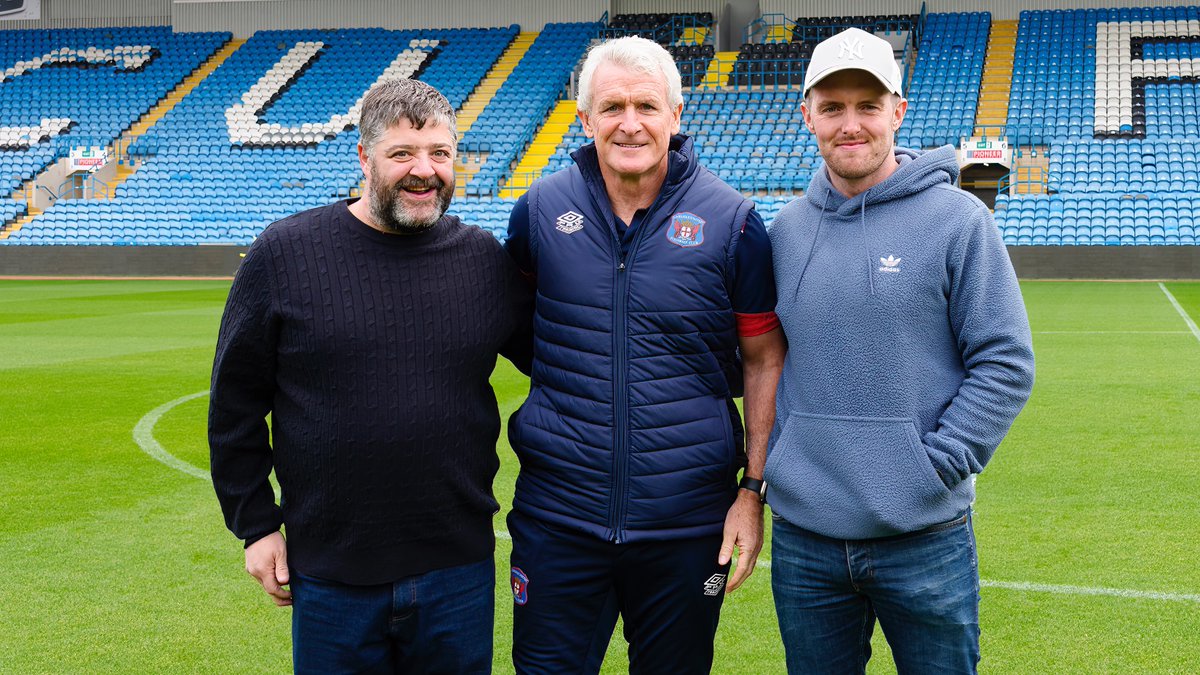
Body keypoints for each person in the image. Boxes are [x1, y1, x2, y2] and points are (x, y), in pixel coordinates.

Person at [208, 78, 532, 674]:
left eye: (440, 153)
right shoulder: (285, 254)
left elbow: (564, 361)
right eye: (402, 153)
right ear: (364, 156)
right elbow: (234, 406)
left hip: (456, 569)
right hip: (332, 571)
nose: (425, 170)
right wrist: (256, 526)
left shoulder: (484, 260)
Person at [503, 36, 787, 674]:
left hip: (687, 525)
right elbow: (523, 330)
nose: (629, 124)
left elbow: (764, 359)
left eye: (646, 106)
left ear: (676, 116)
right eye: (611, 108)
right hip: (558, 518)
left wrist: (751, 490)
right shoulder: (540, 211)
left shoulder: (733, 221)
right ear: (585, 119)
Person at [765, 27, 1036, 673]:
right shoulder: (784, 229)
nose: (850, 123)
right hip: (806, 537)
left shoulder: (959, 220)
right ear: (808, 116)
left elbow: (1005, 360)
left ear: (898, 111)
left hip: (924, 535)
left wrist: (934, 465)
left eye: (868, 104)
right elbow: (763, 359)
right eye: (832, 107)